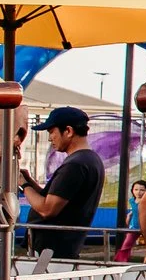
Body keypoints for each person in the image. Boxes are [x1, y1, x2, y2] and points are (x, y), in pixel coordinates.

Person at [17, 107, 104, 263]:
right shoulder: (89, 160)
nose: (50, 138)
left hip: (52, 253)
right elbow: (53, 198)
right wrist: (28, 181)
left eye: (51, 132)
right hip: (59, 249)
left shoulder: (75, 165)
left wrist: (23, 185)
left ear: (68, 131)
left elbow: (47, 209)